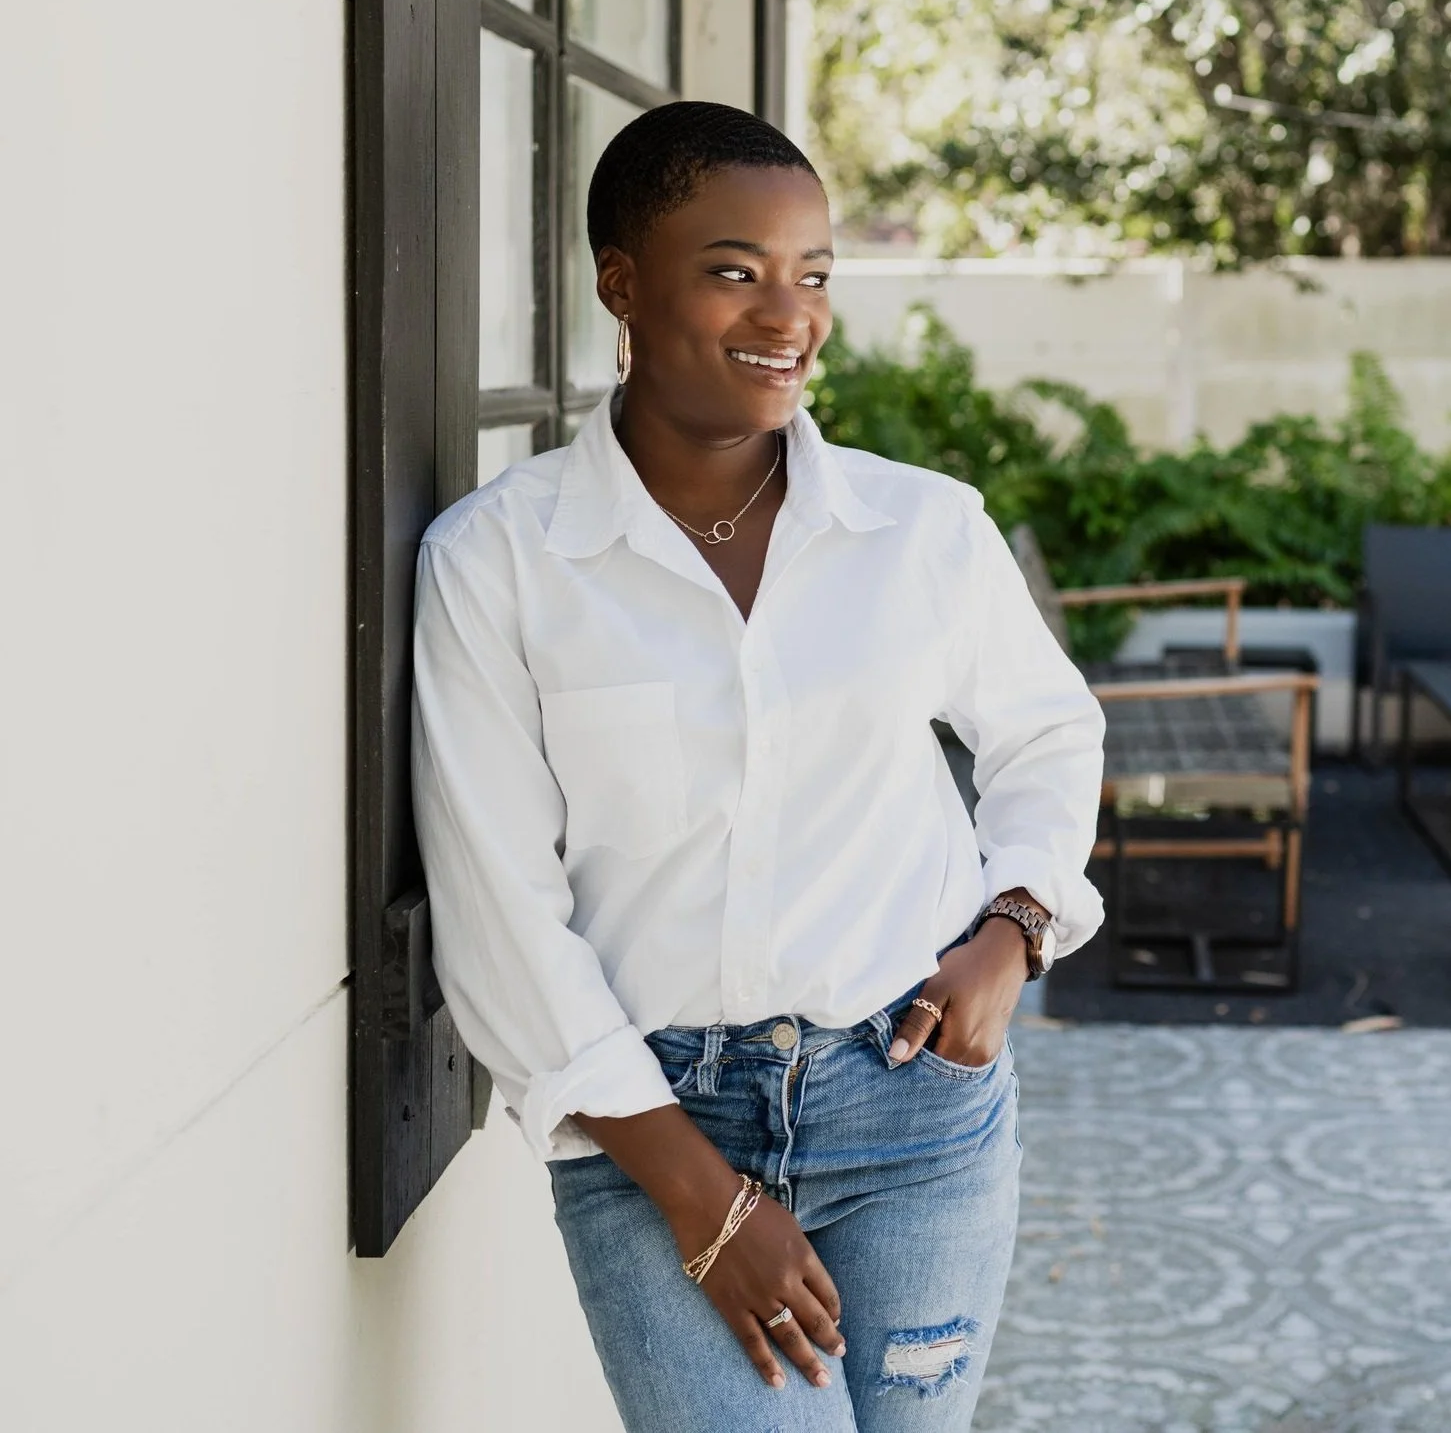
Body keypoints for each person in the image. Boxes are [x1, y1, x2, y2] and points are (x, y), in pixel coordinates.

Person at [412, 101, 1104, 1432]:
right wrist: (700, 1193)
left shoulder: (922, 531)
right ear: (623, 281)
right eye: (736, 270)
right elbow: (501, 909)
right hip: (655, 1122)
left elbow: (1048, 734)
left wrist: (1013, 931)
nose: (789, 314)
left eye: (815, 273)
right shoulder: (500, 562)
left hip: (918, 1112)